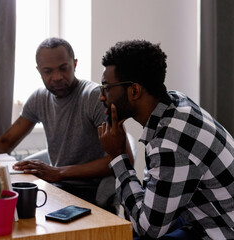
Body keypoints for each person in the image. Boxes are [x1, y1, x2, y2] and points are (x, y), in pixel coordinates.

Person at [0, 37, 133, 210]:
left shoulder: (94, 97)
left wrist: (58, 172)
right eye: (48, 71)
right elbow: (4, 143)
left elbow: (124, 158)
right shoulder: (39, 98)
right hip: (58, 188)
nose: (56, 77)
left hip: (91, 192)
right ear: (39, 71)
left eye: (64, 68)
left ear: (75, 64)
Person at [97, 40, 234, 239]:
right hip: (201, 217)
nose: (102, 97)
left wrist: (117, 156)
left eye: (106, 88)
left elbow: (148, 229)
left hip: (220, 231)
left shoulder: (171, 143)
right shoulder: (175, 103)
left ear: (134, 90)